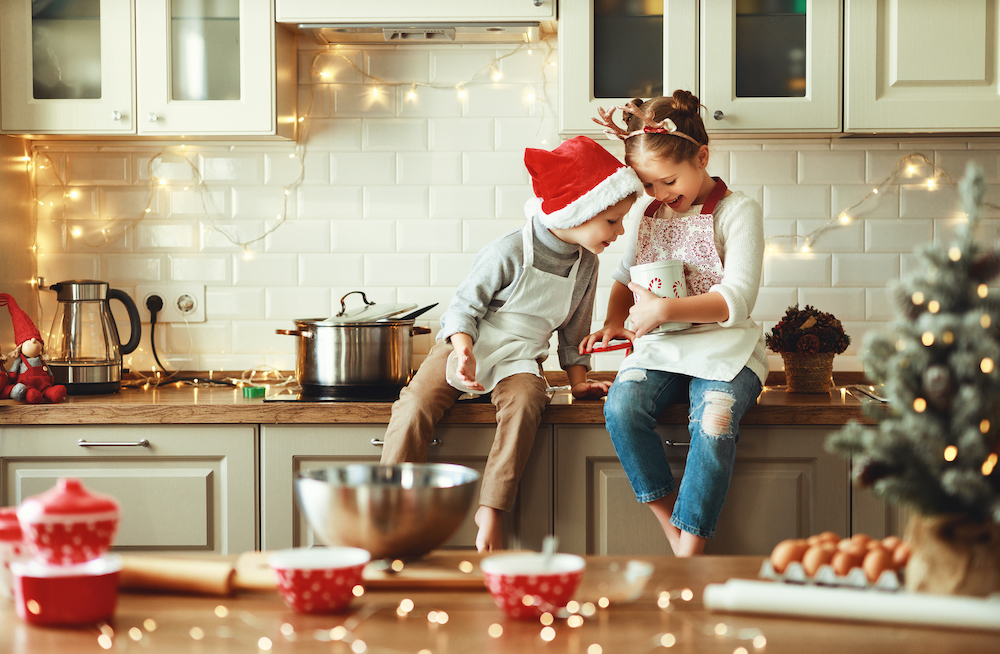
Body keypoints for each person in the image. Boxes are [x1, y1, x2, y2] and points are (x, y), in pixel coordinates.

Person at [380, 135, 644, 552]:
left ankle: (491, 510)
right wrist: (463, 348)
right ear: (579, 211)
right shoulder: (507, 251)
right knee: (415, 405)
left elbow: (574, 332)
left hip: (519, 359)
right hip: (465, 345)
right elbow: (463, 306)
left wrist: (578, 382)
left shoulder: (587, 265)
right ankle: (390, 506)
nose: (620, 230)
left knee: (526, 403)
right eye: (612, 221)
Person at [582, 91, 767, 557]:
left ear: (702, 157)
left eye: (667, 181)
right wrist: (612, 321)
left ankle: (691, 549)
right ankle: (676, 530)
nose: (660, 195)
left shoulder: (738, 212)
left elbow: (735, 300)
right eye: (648, 186)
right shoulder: (647, 214)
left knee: (715, 418)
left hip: (726, 348)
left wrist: (663, 310)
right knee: (622, 409)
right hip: (662, 350)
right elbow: (625, 278)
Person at [0, 293, 68, 404]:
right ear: (20, 347)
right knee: (30, 393)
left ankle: (51, 392)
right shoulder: (20, 360)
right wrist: (11, 378)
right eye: (29, 340)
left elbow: (49, 373)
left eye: (36, 340)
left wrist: (51, 379)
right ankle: (31, 394)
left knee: (51, 390)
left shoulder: (41, 360)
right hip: (27, 386)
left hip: (44, 385)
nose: (33, 341)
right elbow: (13, 373)